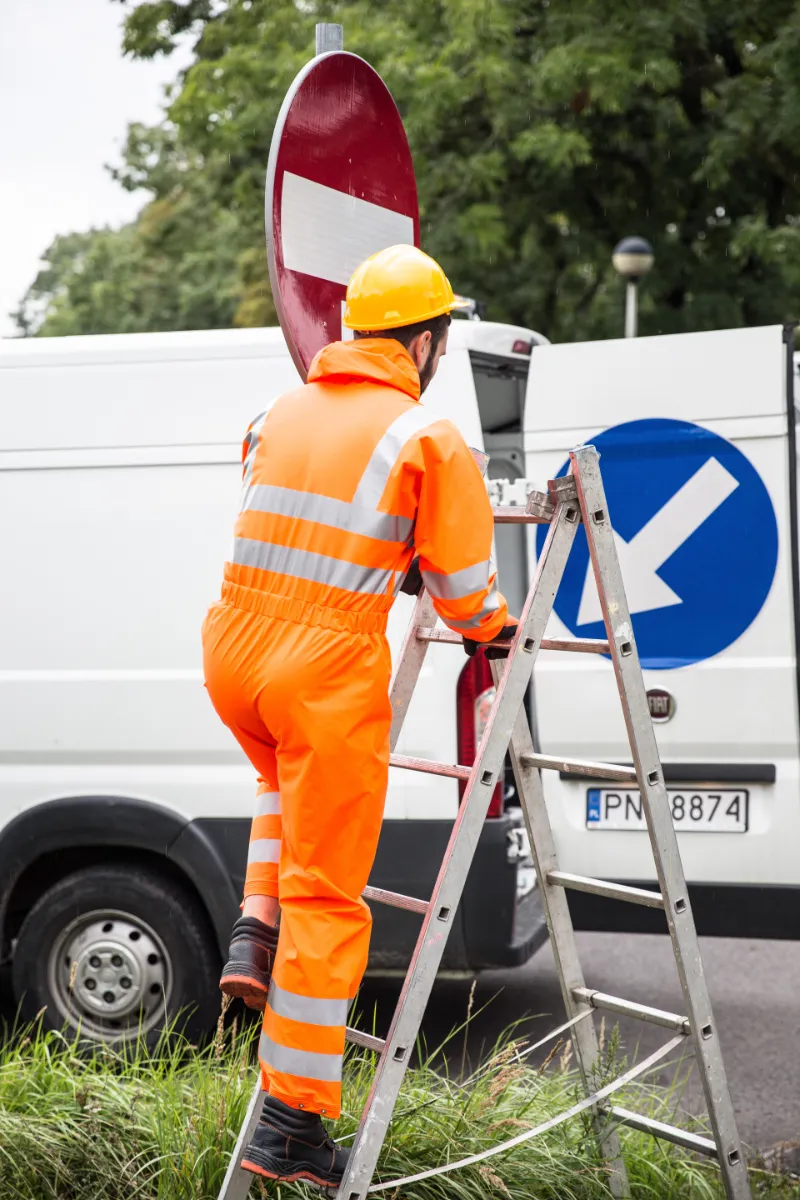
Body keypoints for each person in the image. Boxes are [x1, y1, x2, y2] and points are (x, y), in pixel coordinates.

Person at [202, 243, 517, 1189]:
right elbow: (463, 589)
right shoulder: (427, 436)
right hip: (322, 667)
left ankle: (255, 929)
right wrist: (495, 636)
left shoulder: (275, 412)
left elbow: (301, 512)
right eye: (443, 341)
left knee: (276, 777)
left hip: (232, 651)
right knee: (332, 904)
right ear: (422, 342)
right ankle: (291, 1128)